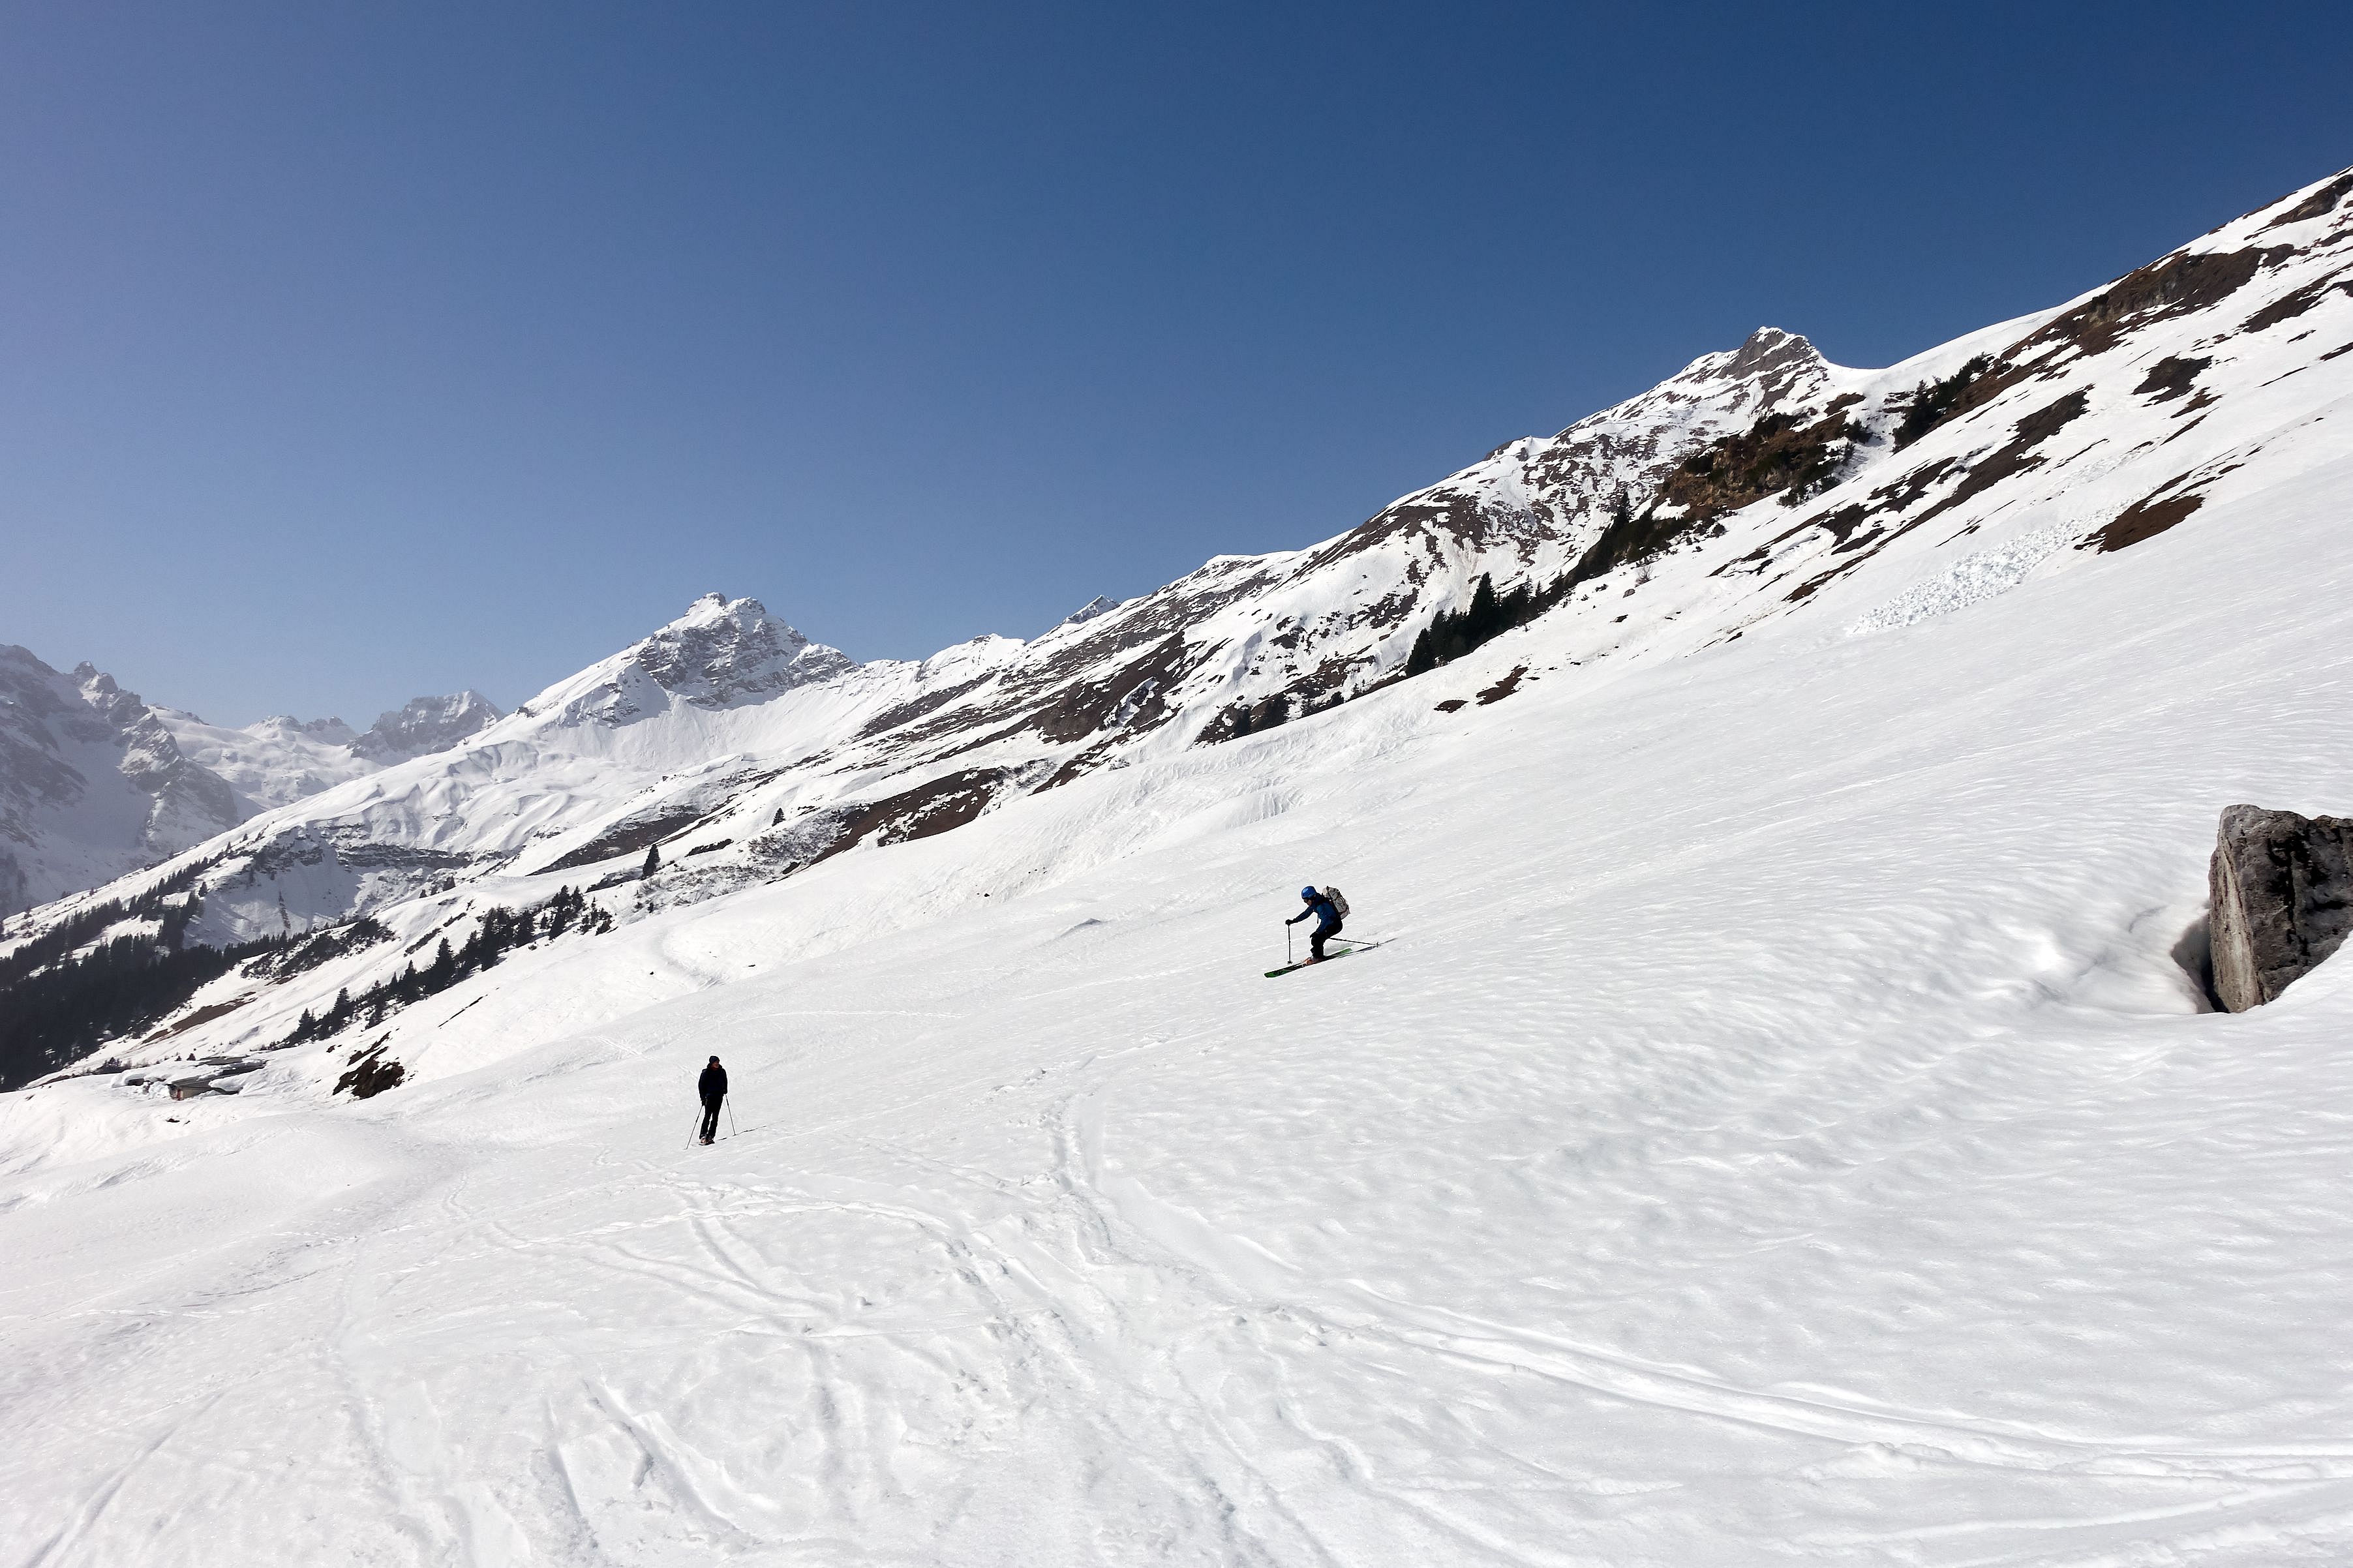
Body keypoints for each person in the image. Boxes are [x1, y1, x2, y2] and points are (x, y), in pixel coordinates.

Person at [1286, 885, 1343, 962]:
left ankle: (1318, 957)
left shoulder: (1320, 905)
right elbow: (1306, 914)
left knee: (1317, 939)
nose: (1305, 902)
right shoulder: (1315, 903)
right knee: (1316, 939)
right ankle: (1316, 955)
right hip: (1331, 924)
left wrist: (1318, 932)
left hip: (1336, 925)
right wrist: (1294, 921)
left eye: (1306, 900)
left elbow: (1326, 919)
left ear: (1312, 897)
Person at [697, 1055, 728, 1144]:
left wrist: (725, 1089)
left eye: (718, 1062)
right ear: (711, 1063)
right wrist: (703, 1098)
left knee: (715, 1117)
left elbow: (725, 1081)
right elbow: (701, 1086)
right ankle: (703, 1135)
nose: (717, 1063)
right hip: (709, 1097)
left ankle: (711, 1135)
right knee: (707, 1116)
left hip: (719, 1096)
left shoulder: (722, 1071)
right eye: (715, 1062)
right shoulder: (706, 1073)